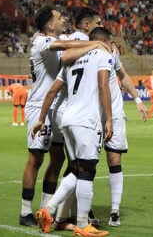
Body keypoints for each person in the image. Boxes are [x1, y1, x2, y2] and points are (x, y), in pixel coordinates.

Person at [57, 14, 148, 229]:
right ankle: (82, 214)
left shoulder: (110, 50)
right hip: (91, 116)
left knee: (114, 161)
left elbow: (122, 75)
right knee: (87, 166)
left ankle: (114, 211)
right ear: (87, 27)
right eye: (98, 23)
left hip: (113, 113)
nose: (101, 26)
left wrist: (137, 100)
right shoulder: (81, 49)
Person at [18, 6, 100, 227]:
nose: (63, 19)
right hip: (39, 105)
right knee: (35, 158)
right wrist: (96, 44)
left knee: (58, 159)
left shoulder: (53, 37)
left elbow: (69, 40)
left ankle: (46, 210)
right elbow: (65, 45)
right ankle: (25, 211)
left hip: (59, 107)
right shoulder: (41, 42)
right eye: (59, 17)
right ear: (50, 25)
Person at [33, 26, 113, 236]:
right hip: (87, 120)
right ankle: (82, 224)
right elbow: (104, 86)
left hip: (68, 119)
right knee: (87, 171)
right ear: (106, 41)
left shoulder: (74, 58)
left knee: (76, 169)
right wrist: (110, 119)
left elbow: (53, 89)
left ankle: (47, 210)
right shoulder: (103, 54)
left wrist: (41, 118)